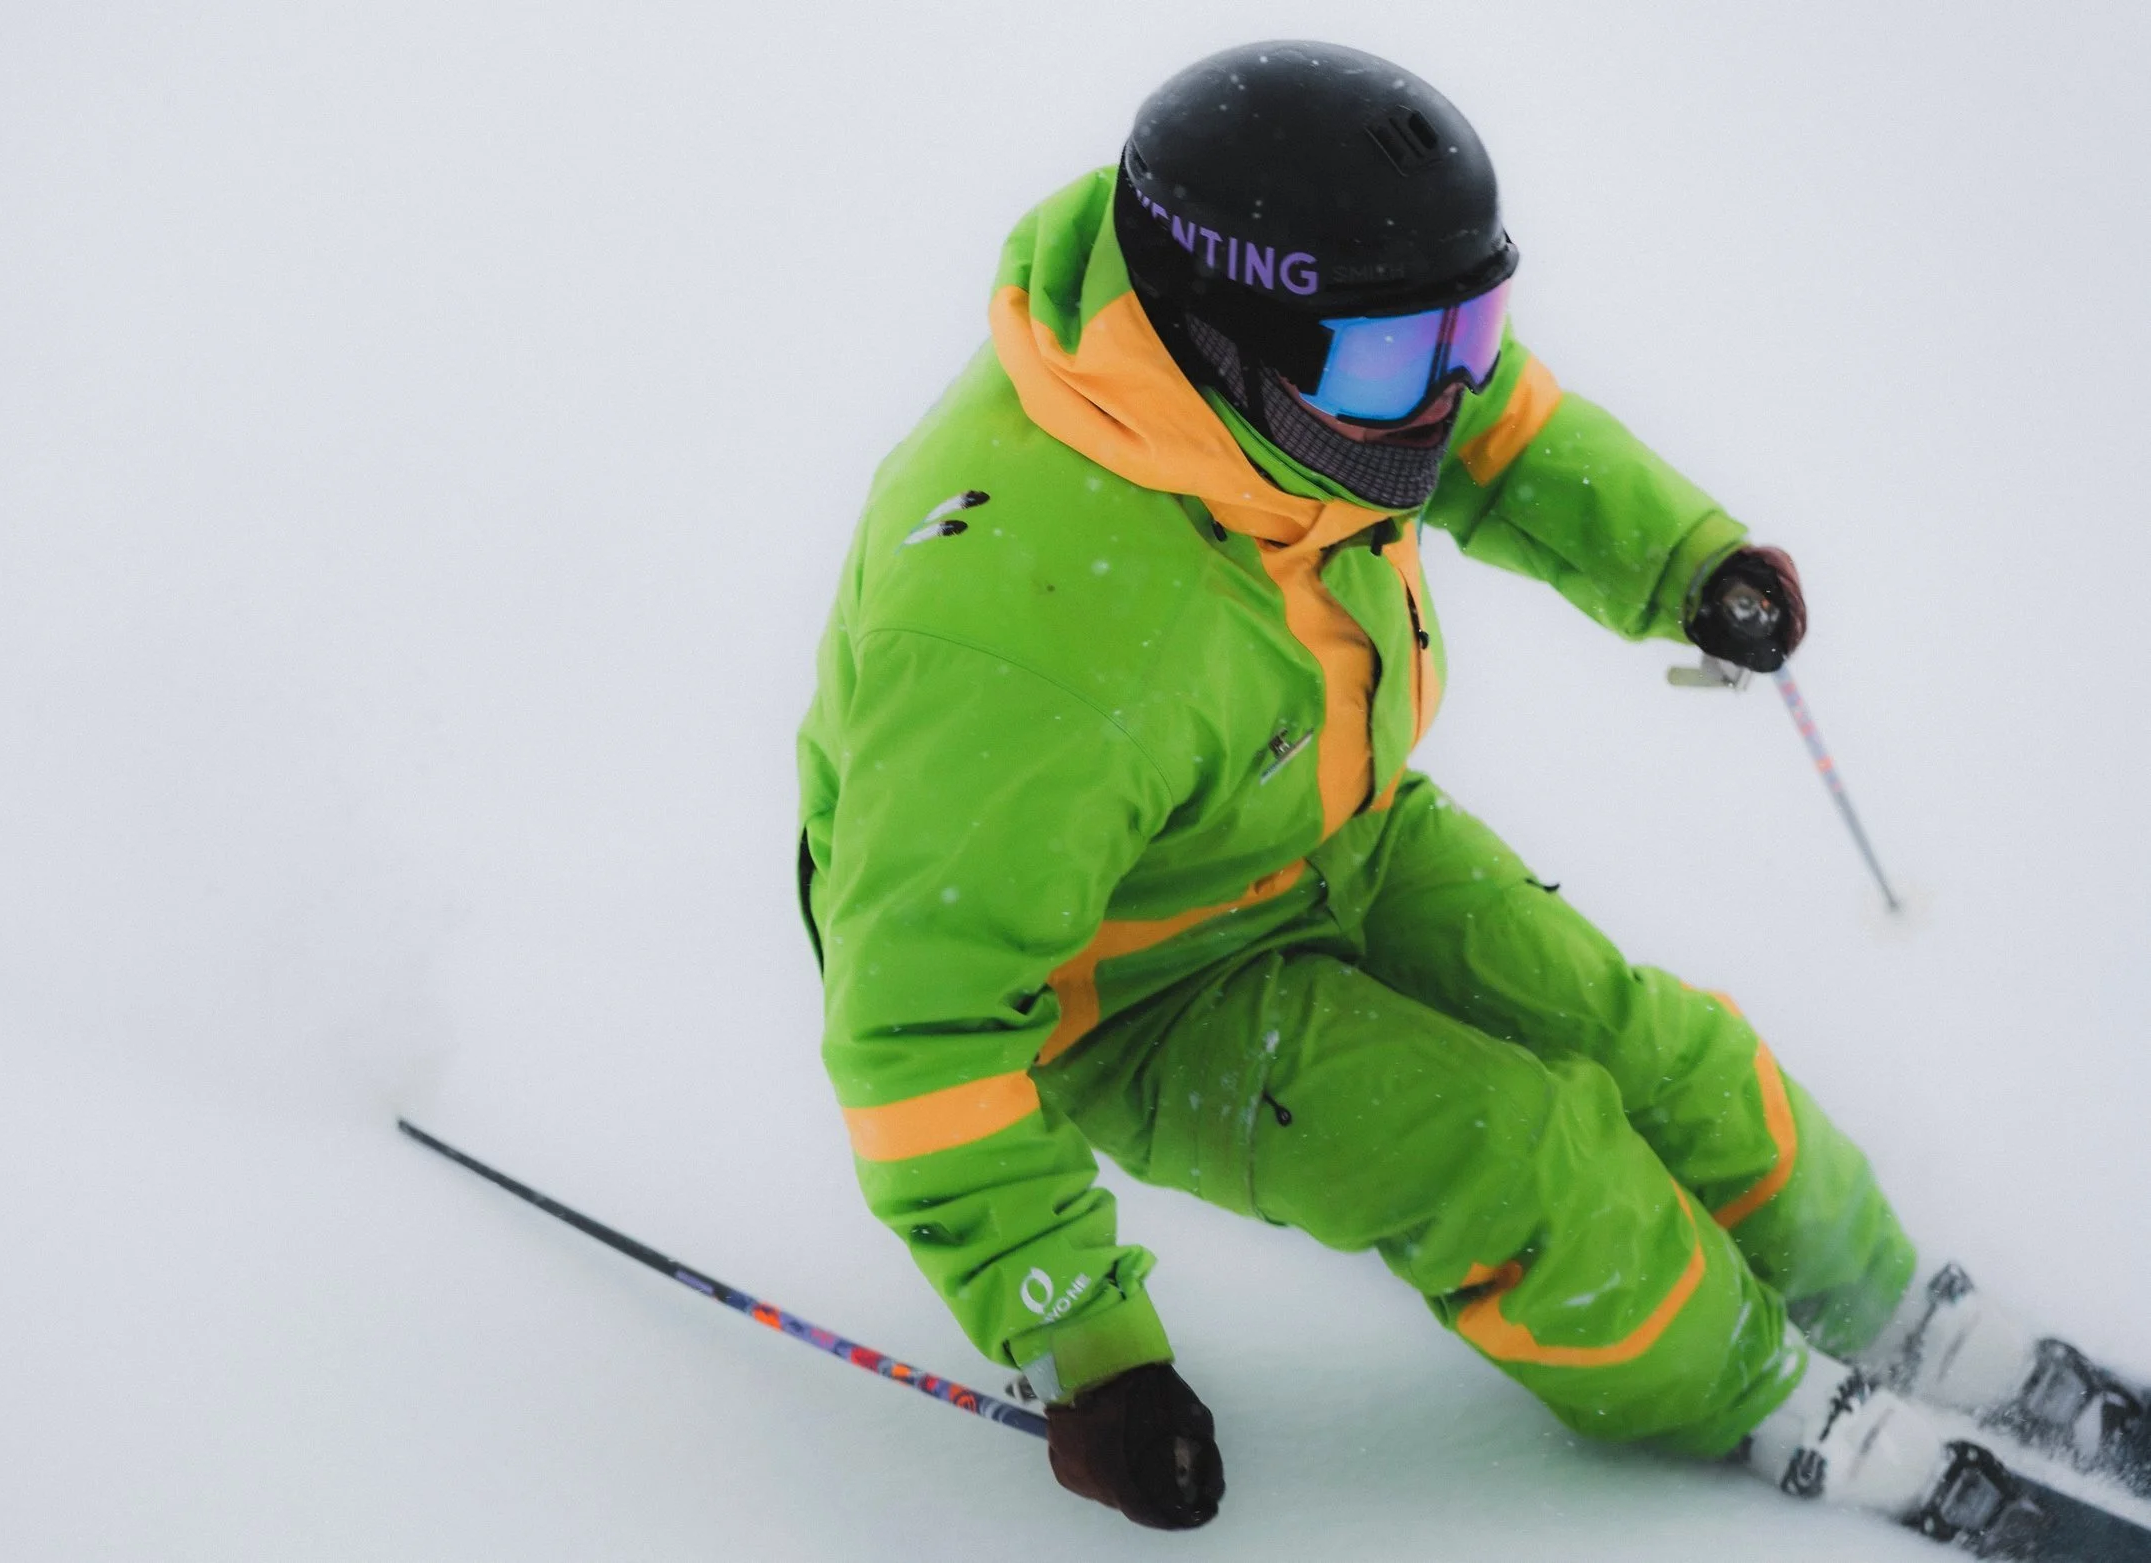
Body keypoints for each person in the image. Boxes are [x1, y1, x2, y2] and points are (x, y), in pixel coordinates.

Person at [795, 41, 2148, 1549]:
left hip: (1323, 827)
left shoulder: (1320, 379)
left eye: (1472, 321)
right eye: (1399, 356)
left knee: (1656, 1047)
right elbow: (912, 1032)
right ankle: (1766, 1394)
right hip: (1132, 981)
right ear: (1227, 335)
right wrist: (1088, 1349)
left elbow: (1495, 429)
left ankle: (1895, 1308)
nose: (1442, 391)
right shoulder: (1016, 637)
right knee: (1510, 1153)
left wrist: (1678, 560)